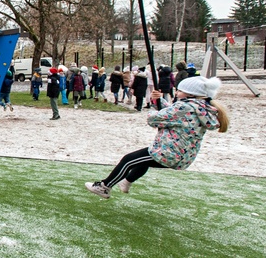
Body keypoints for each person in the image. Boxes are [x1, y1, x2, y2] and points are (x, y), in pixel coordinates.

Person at [85, 76, 229, 199]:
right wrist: (158, 100)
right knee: (141, 161)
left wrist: (152, 111)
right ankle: (127, 181)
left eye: (180, 90)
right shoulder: (201, 108)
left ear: (191, 94)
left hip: (168, 152)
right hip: (183, 155)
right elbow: (174, 114)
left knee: (128, 160)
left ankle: (104, 187)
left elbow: (155, 119)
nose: (176, 92)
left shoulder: (184, 107)